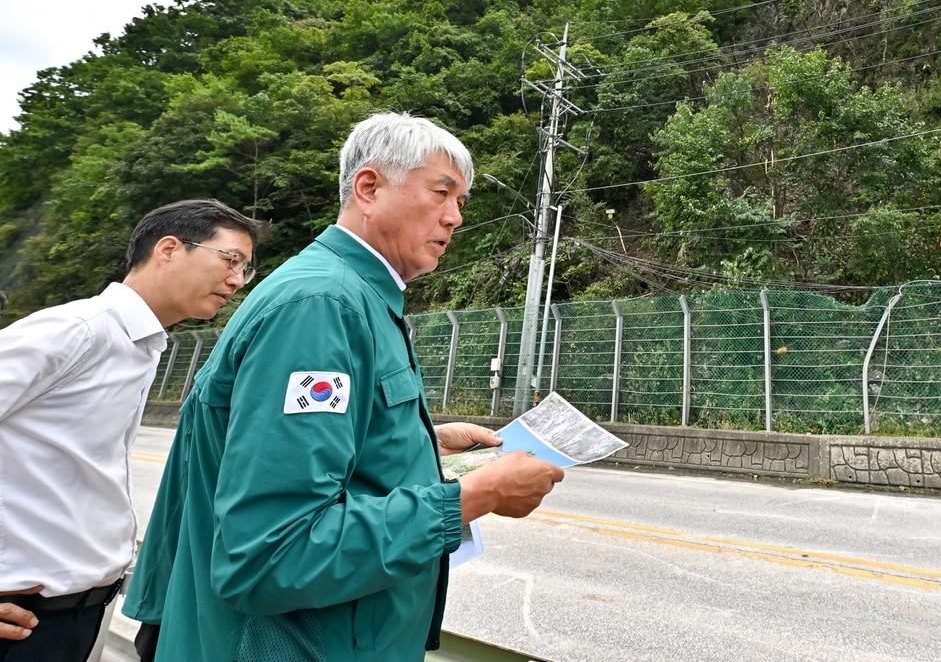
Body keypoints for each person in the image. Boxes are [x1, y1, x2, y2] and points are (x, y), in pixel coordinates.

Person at [123, 112, 564, 662]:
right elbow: (274, 554)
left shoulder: (353, 294)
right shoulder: (321, 307)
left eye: (462, 203)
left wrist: (419, 444)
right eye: (441, 193)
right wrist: (476, 496)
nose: (454, 217)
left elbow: (318, 448)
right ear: (369, 187)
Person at [0, 199, 263, 662]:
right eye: (231, 260)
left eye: (246, 267)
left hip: (81, 614)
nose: (238, 280)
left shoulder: (140, 344)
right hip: (24, 623)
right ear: (168, 249)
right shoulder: (76, 331)